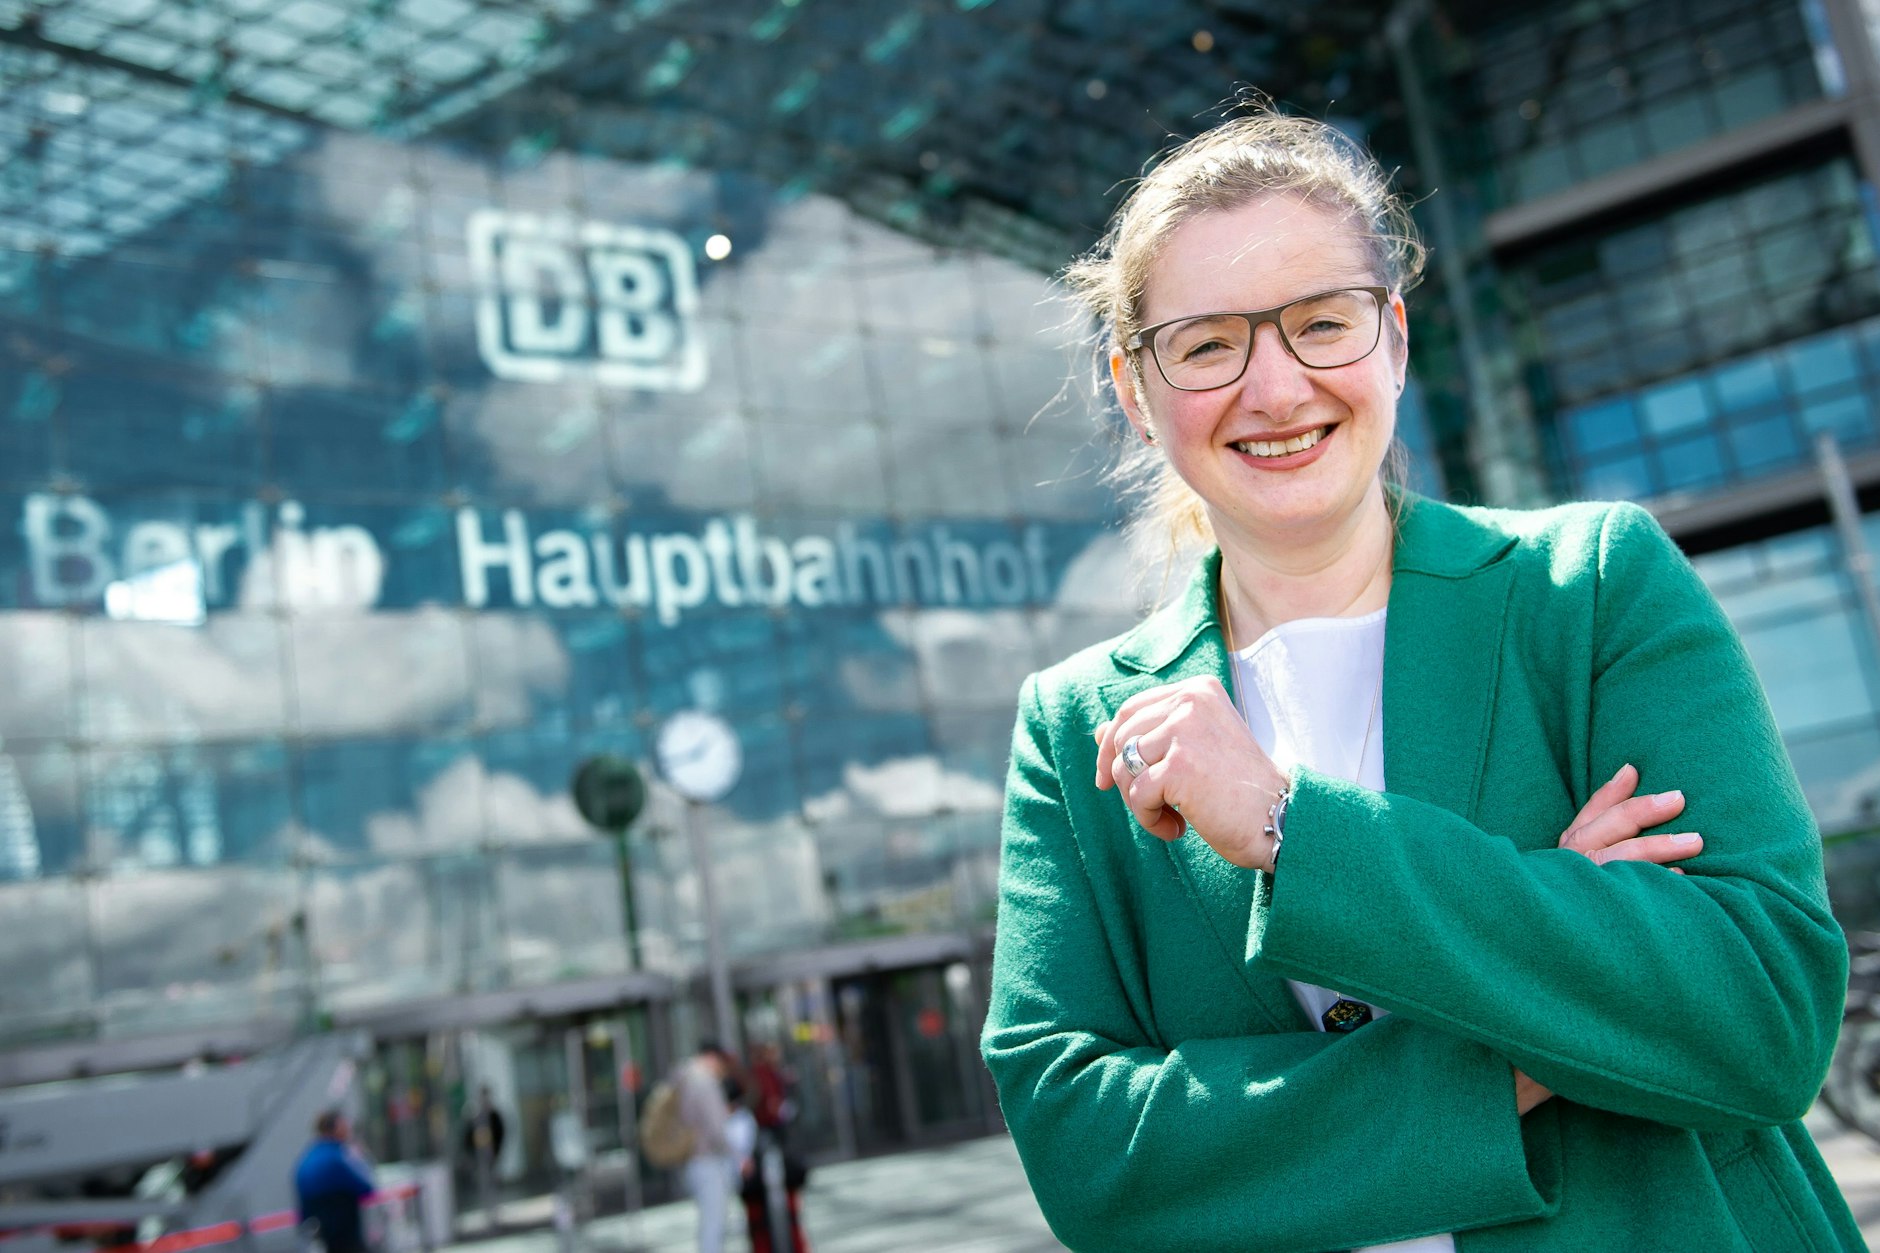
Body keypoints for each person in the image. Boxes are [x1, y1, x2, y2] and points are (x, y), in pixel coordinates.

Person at [980, 105, 1863, 1252]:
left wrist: (1290, 827)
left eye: (1320, 324)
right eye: (1205, 345)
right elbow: (1092, 1162)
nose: (1274, 386)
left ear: (1392, 339)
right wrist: (1548, 990)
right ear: (1135, 391)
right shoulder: (1074, 723)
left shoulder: (1588, 587)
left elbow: (1760, 1013)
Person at [675, 1041, 740, 1253]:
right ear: (713, 1056)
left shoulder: (685, 1078)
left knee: (710, 1222)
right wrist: (737, 1155)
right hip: (707, 1160)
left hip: (695, 1160)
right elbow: (716, 1128)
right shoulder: (703, 1081)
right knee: (714, 1223)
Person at [293, 1109, 375, 1253]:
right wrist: (358, 1155)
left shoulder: (307, 1159)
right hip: (346, 1236)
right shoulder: (338, 1158)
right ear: (336, 1128)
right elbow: (367, 1188)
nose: (349, 1130)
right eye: (345, 1126)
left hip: (321, 1237)